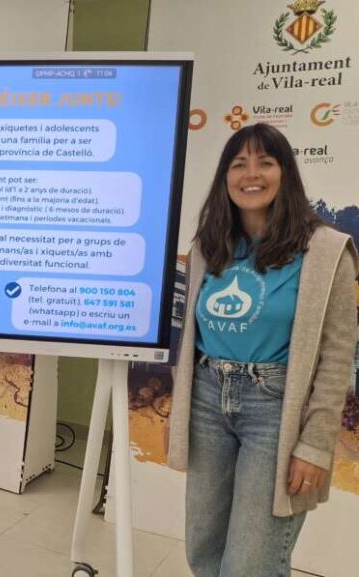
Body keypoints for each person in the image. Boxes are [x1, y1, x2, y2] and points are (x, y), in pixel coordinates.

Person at [167, 123, 358, 576]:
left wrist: (315, 445)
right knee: (204, 549)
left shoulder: (327, 251)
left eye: (265, 163)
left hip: (274, 410)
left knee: (250, 564)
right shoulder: (209, 246)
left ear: (285, 173)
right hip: (207, 400)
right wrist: (180, 408)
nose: (251, 174)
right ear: (225, 177)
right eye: (239, 164)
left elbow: (337, 357)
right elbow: (189, 339)